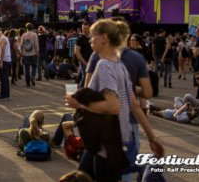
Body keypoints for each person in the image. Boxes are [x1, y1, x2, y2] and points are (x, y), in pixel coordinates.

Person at [64, 18, 163, 182]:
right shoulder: (119, 65)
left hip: (106, 144)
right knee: (80, 176)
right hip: (117, 142)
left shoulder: (104, 65)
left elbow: (113, 106)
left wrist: (79, 104)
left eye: (93, 36)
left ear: (103, 38)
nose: (90, 39)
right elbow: (134, 106)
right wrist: (152, 138)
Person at [20, 23, 40, 87]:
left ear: (26, 28)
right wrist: (37, 52)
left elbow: (21, 45)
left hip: (26, 54)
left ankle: (27, 82)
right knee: (34, 66)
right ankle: (33, 76)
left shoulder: (23, 35)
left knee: (26, 68)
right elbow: (36, 44)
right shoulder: (35, 34)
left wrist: (21, 52)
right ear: (32, 27)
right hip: (33, 53)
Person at [74, 22, 92, 86]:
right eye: (83, 28)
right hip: (84, 62)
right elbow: (76, 52)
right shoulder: (80, 39)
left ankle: (79, 91)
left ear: (90, 28)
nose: (84, 30)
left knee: (83, 77)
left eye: (86, 28)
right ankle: (81, 93)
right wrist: (85, 63)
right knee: (85, 78)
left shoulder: (92, 37)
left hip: (91, 62)